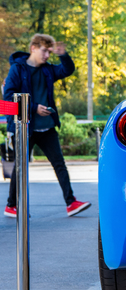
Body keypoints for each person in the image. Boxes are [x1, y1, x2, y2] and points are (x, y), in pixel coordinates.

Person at [3, 34, 91, 218]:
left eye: (49, 52)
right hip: (26, 126)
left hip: (47, 127)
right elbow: (8, 97)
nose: (47, 56)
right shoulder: (17, 69)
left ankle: (71, 202)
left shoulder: (48, 70)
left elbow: (67, 70)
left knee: (59, 164)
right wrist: (34, 108)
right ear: (33, 48)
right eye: (44, 51)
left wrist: (63, 55)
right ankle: (11, 205)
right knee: (20, 166)